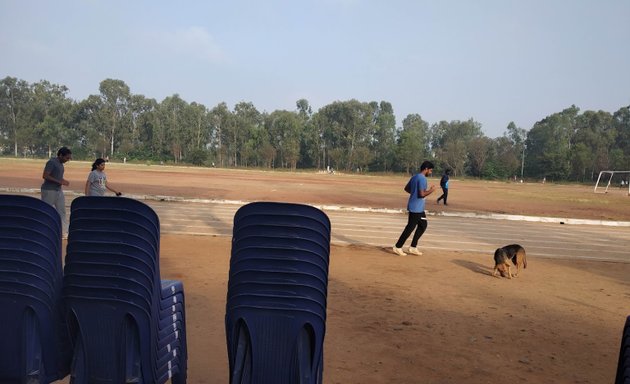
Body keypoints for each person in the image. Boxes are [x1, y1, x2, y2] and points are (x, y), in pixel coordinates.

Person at [393, 160, 436, 256]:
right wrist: (431, 190)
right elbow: (421, 194)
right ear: (426, 169)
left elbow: (406, 188)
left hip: (418, 208)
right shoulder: (422, 179)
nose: (431, 172)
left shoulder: (415, 177)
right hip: (416, 208)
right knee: (410, 228)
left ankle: (413, 247)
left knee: (423, 225)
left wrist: (414, 194)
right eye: (430, 170)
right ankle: (398, 246)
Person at [41, 147, 72, 233]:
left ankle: (64, 231)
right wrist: (59, 181)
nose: (68, 160)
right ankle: (43, 229)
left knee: (62, 211)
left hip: (58, 190)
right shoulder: (52, 162)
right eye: (67, 158)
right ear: (61, 155)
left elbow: (57, 177)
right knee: (46, 211)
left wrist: (62, 180)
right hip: (49, 190)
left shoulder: (61, 164)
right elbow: (45, 176)